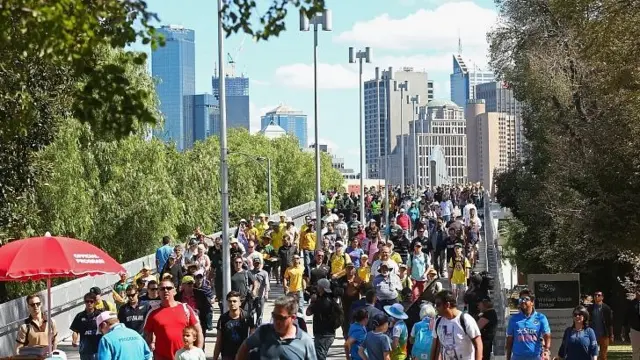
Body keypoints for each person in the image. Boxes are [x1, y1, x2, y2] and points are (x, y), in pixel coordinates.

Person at [236, 295, 317, 360]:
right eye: (274, 316)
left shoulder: (306, 342)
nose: (276, 321)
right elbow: (245, 346)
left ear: (293, 318)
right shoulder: (263, 332)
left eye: (281, 318)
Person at [143, 279, 204, 360]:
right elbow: (147, 337)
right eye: (162, 288)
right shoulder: (152, 313)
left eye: (168, 288)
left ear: (174, 291)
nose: (166, 290)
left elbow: (199, 331)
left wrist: (198, 353)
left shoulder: (186, 309)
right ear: (158, 292)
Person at [431, 290, 483, 360]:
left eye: (438, 304)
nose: (436, 308)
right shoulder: (438, 322)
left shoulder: (465, 320)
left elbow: (478, 345)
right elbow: (436, 347)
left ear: (447, 305)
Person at [506, 290, 551, 360]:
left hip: (535, 357)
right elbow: (509, 340)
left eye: (526, 299)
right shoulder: (513, 319)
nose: (523, 301)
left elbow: (547, 335)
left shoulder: (541, 318)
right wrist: (508, 358)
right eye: (521, 299)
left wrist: (546, 350)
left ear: (532, 302)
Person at [213, 291, 256, 360]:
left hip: (243, 354)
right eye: (230, 301)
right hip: (227, 355)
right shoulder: (223, 319)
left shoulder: (247, 317)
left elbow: (252, 337)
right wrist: (215, 358)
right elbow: (219, 340)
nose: (232, 303)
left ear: (240, 303)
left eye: (234, 301)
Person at [306, 278, 340, 360]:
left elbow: (308, 312)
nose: (316, 288)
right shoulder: (331, 299)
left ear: (322, 288)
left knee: (319, 357)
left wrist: (313, 301)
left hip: (323, 335)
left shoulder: (321, 301)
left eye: (318, 286)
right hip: (328, 333)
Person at [70, 292, 101, 360]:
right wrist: (74, 340)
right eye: (87, 301)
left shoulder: (100, 315)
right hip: (85, 349)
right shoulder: (79, 316)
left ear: (95, 302)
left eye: (91, 301)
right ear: (84, 302)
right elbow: (75, 330)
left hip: (98, 349)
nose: (89, 303)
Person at [586, 291, 613, 360]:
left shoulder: (607, 308)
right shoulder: (590, 308)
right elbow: (587, 321)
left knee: (603, 355)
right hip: (593, 335)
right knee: (593, 354)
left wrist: (611, 335)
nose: (596, 296)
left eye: (598, 295)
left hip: (604, 334)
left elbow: (610, 323)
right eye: (595, 295)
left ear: (602, 297)